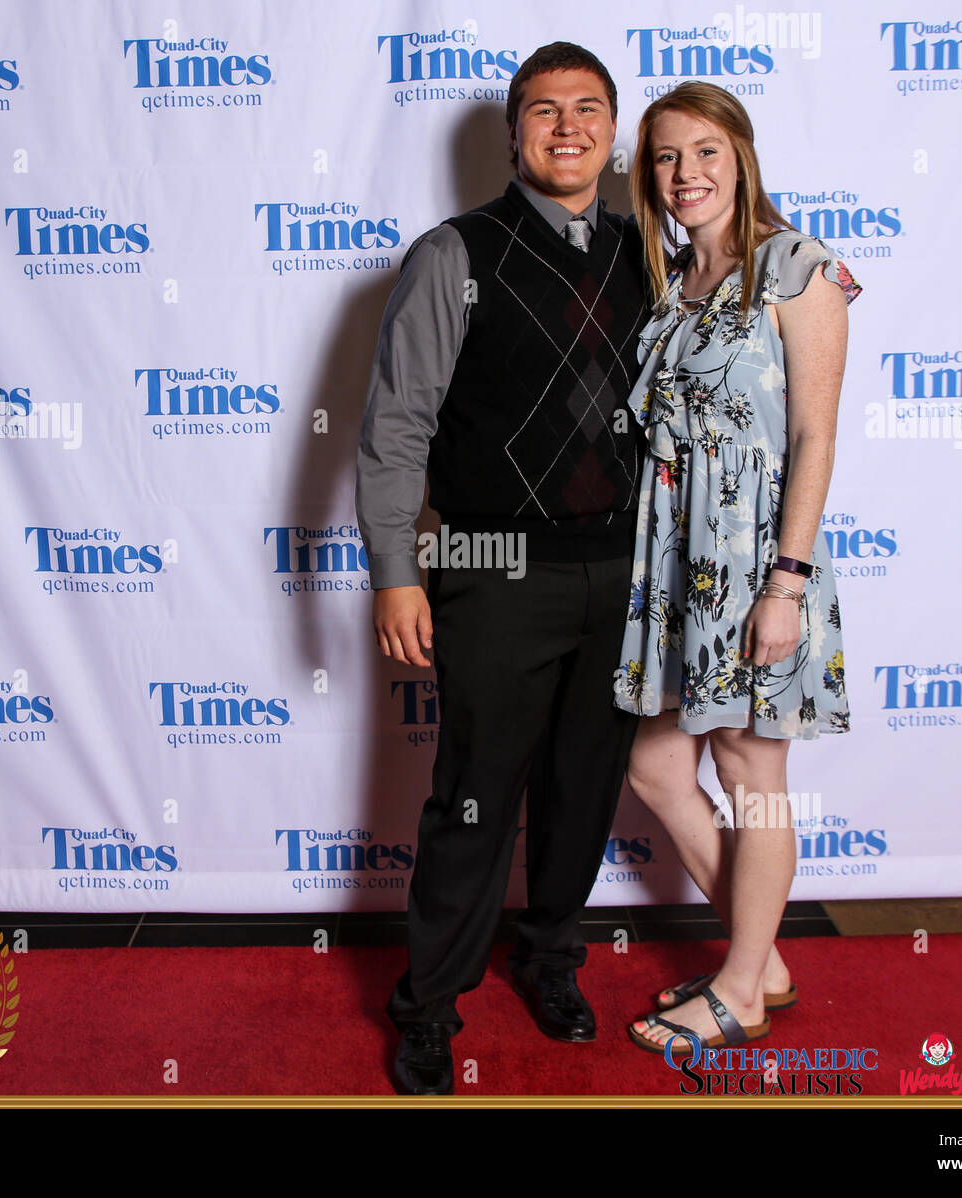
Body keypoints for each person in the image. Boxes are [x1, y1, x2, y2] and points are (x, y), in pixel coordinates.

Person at [355, 41, 648, 1094]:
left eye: (587, 109)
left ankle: (553, 957)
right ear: (513, 132)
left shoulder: (647, 253)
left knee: (582, 791)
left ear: (615, 133)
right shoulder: (455, 254)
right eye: (542, 112)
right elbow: (396, 427)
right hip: (491, 565)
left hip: (621, 569)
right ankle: (428, 1005)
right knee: (473, 798)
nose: (566, 128)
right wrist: (395, 568)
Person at [612, 82, 862, 1055]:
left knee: (750, 769)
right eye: (667, 158)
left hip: (759, 559)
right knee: (656, 763)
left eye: (705, 152)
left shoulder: (799, 269)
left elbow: (814, 435)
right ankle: (760, 959)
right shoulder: (673, 282)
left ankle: (740, 990)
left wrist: (786, 583)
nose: (686, 175)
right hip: (674, 559)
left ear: (741, 156)